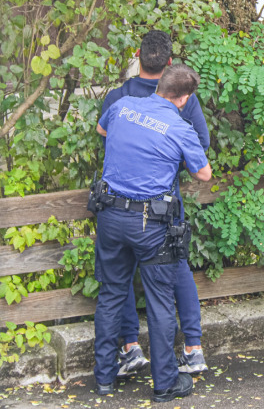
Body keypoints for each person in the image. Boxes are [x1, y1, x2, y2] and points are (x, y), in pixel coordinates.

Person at [93, 64, 212, 403]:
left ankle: (103, 379)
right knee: (160, 302)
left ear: (160, 84)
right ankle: (164, 384)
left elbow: (102, 131)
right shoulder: (179, 127)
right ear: (185, 98)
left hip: (111, 216)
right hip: (150, 225)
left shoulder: (121, 106)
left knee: (112, 293)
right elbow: (203, 173)